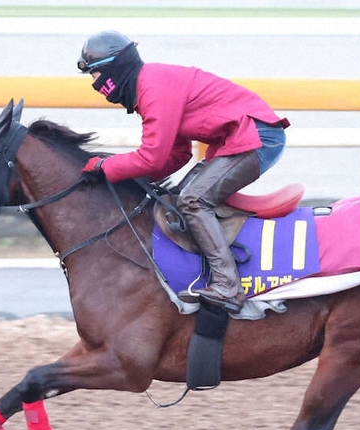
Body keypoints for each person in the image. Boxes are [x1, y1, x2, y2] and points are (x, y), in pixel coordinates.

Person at [77, 30, 290, 313]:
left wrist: (105, 167)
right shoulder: (148, 86)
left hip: (256, 138)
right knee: (179, 200)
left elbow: (152, 157)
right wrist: (130, 178)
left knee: (193, 200)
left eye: (95, 75)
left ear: (112, 69)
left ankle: (229, 286)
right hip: (243, 138)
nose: (95, 84)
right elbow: (177, 155)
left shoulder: (152, 88)